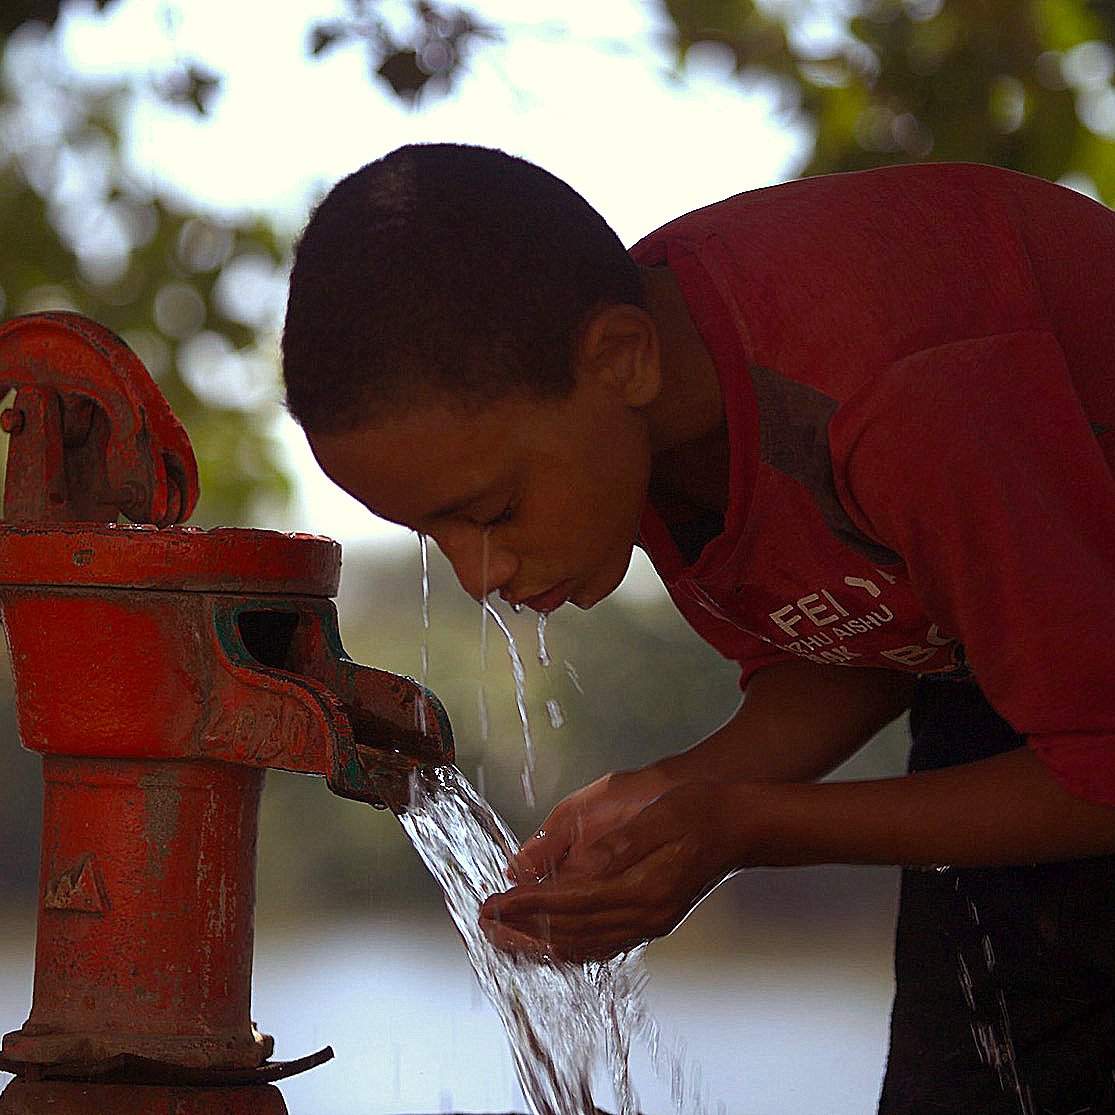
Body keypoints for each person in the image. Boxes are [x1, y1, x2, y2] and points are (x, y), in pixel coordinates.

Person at [281, 143, 1115, 1113]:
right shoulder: (641, 399)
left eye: (494, 511)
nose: (481, 575)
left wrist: (745, 822)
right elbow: (874, 637)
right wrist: (684, 786)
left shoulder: (891, 392)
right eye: (435, 535)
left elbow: (1097, 767)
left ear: (620, 360)